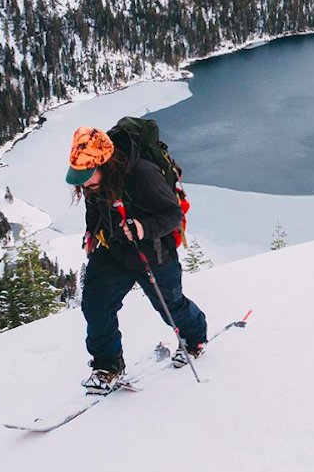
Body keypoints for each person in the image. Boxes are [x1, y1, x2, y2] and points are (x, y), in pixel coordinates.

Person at [66, 125, 208, 394]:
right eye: (80, 178)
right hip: (113, 250)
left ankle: (195, 338)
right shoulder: (94, 182)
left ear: (105, 163)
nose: (84, 184)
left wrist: (143, 228)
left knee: (171, 306)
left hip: (153, 252)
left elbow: (172, 214)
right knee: (96, 305)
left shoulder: (143, 174)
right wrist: (91, 234)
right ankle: (108, 365)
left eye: (87, 176)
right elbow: (94, 206)